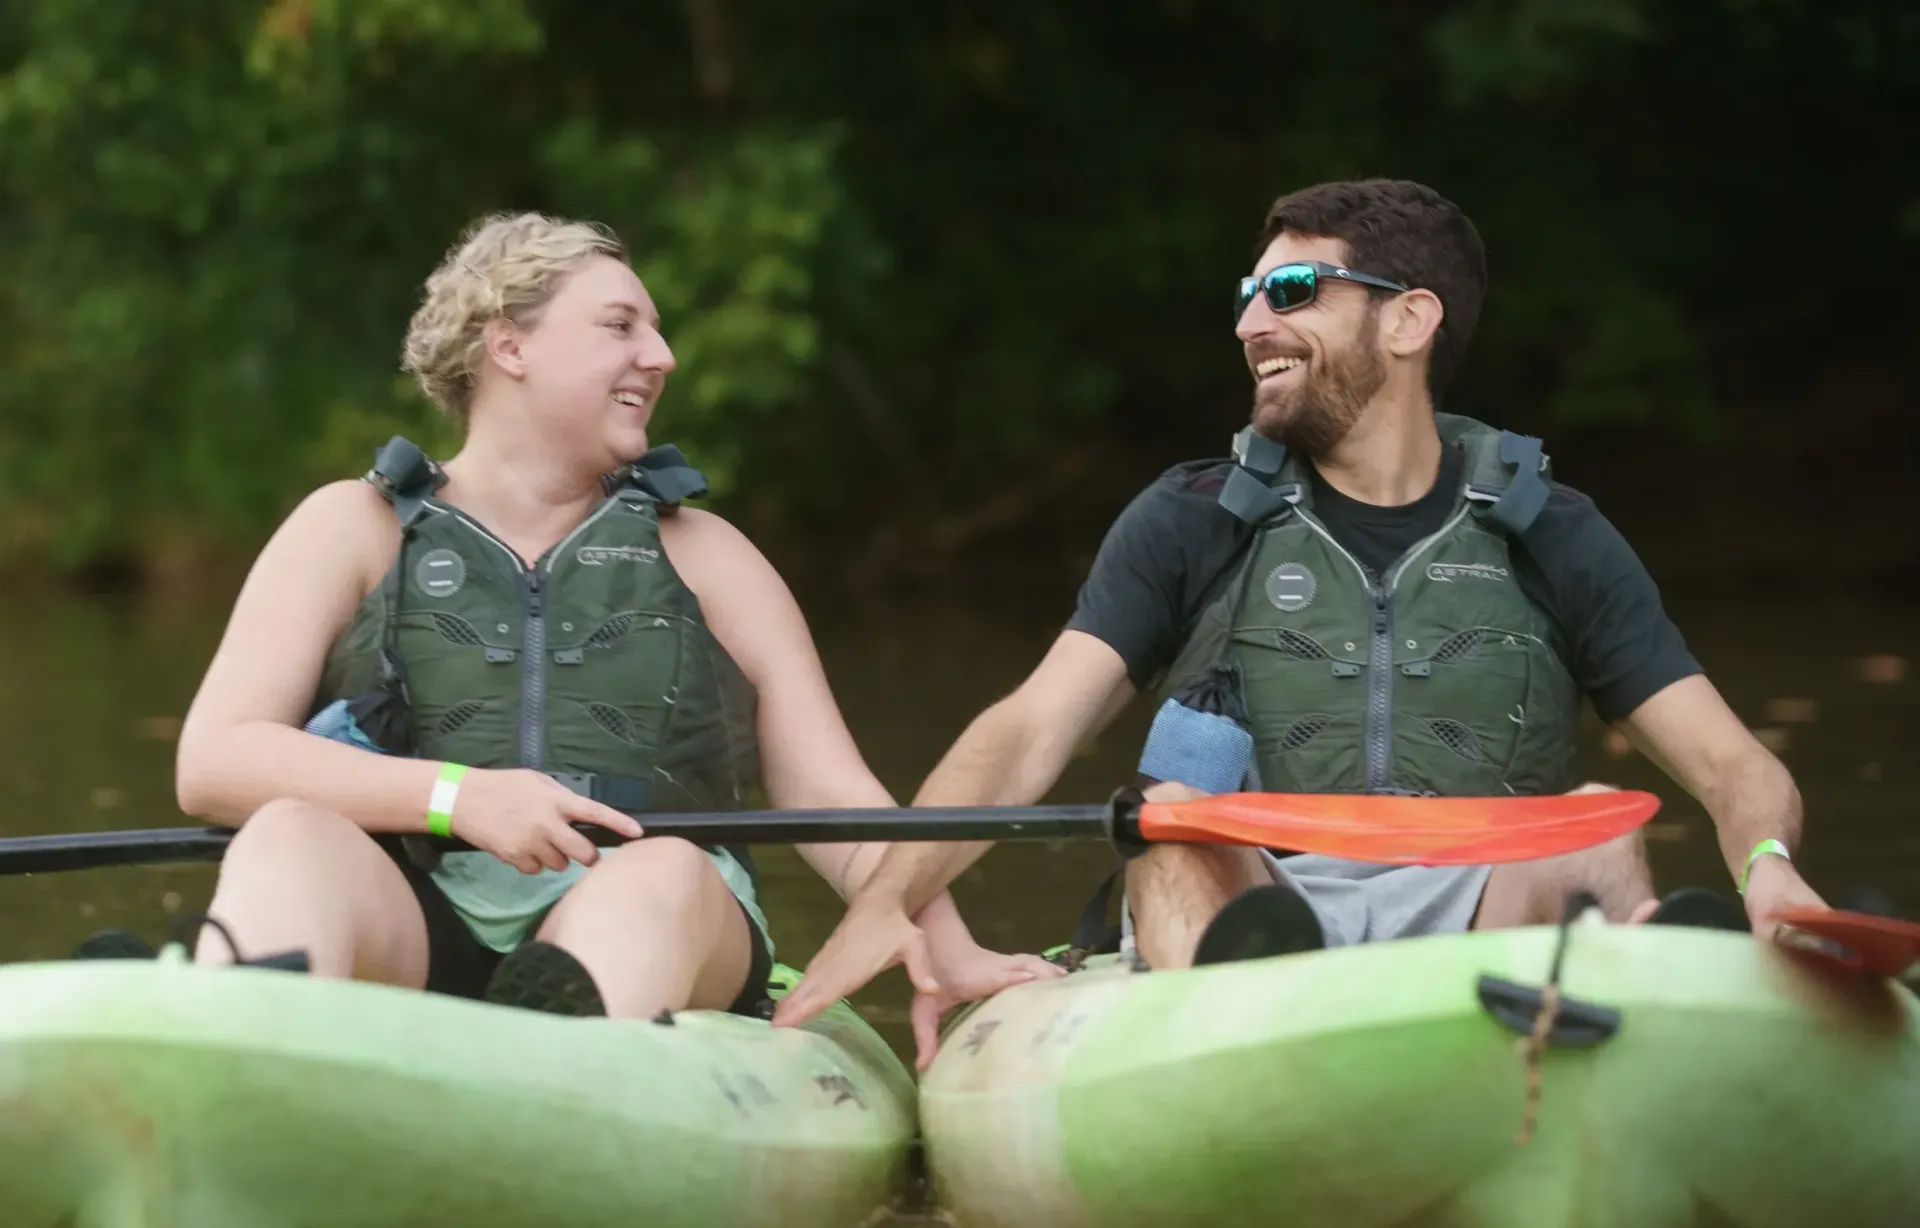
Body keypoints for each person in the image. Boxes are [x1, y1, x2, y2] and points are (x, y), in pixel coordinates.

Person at [775, 177, 1826, 1027]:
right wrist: (887, 900)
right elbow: (1028, 729)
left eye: (1289, 295)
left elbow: (1735, 766)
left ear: (1409, 319)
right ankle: (1242, 1039)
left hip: (1481, 907)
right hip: (1259, 899)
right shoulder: (1190, 518)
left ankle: (1571, 1028)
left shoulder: (1555, 532)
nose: (1247, 324)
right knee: (1171, 823)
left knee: (1593, 825)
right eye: (1248, 293)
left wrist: (1768, 870)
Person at [103, 211, 1051, 1055]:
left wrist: (950, 946)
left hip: (656, 918)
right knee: (287, 835)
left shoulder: (709, 555)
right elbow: (216, 759)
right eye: (620, 326)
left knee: (663, 873)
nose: (662, 354)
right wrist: (458, 796)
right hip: (418, 911)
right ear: (509, 346)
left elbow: (827, 791)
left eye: (655, 327)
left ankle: (560, 1069)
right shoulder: (350, 527)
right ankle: (218, 1037)